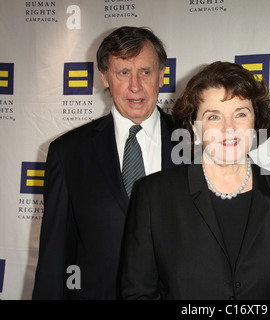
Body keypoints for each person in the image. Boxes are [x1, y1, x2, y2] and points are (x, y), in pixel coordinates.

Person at [120, 61, 270, 300]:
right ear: (194, 127)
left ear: (255, 122)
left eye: (240, 114)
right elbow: (138, 294)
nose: (229, 128)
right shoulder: (154, 195)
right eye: (213, 117)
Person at [32, 26, 177, 300]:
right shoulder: (68, 153)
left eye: (145, 72)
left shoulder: (196, 144)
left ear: (161, 75)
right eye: (123, 73)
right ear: (105, 77)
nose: (135, 86)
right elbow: (55, 255)